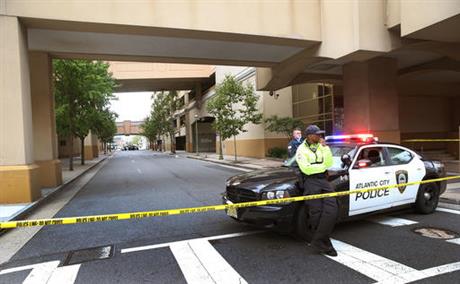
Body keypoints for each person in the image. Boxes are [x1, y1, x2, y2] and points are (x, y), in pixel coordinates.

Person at [295, 125, 338, 257]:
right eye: (317, 134)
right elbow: (306, 169)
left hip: (323, 180)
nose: (320, 136)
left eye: (321, 134)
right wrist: (321, 166)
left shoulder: (322, 147)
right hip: (310, 181)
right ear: (309, 136)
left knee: (333, 208)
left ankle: (318, 240)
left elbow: (329, 163)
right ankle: (324, 244)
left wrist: (325, 149)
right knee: (316, 213)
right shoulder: (301, 149)